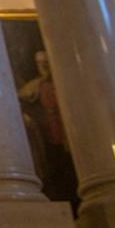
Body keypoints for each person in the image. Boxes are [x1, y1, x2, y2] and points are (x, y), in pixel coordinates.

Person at [19, 49, 79, 207]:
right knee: (52, 169)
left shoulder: (65, 83)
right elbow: (20, 101)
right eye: (40, 63)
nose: (43, 66)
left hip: (69, 132)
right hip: (47, 134)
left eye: (46, 63)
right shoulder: (33, 86)